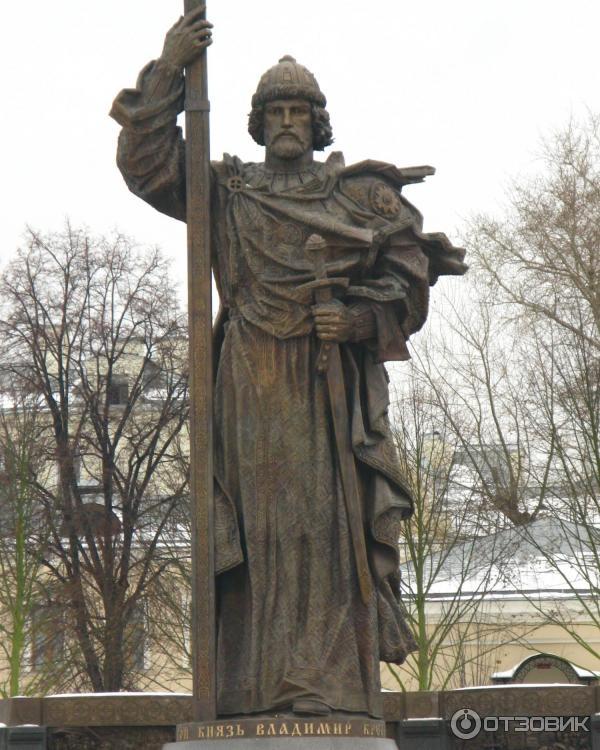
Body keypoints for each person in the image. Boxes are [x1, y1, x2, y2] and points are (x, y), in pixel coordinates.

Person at [110, 7, 466, 719]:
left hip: (325, 377)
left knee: (325, 529)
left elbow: (409, 279)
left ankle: (325, 686)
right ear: (258, 121)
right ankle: (250, 685)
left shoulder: (355, 198)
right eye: (275, 111)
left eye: (299, 110)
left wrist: (358, 319)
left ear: (317, 120)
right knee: (259, 530)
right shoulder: (228, 193)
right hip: (248, 379)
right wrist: (171, 69)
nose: (287, 122)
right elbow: (146, 166)